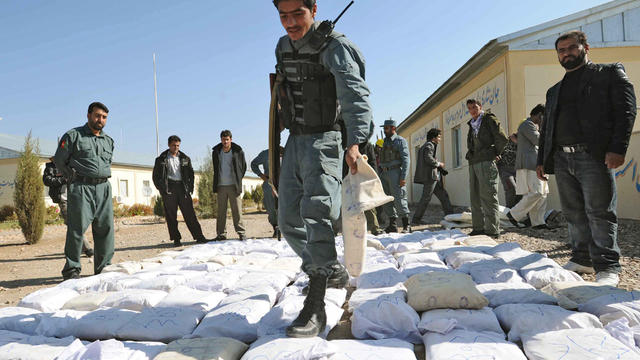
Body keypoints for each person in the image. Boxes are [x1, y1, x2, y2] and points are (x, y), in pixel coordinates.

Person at [273, 0, 373, 337]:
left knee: (316, 213)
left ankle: (315, 305)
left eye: (297, 14)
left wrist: (356, 141)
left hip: (325, 140)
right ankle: (328, 268)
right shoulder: (284, 46)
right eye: (283, 16)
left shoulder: (336, 46)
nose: (290, 23)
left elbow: (356, 95)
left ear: (314, 8)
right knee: (287, 220)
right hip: (295, 141)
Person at [537, 31, 636, 286]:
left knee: (599, 212)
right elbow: (547, 127)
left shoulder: (609, 73)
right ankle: (582, 258)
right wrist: (542, 160)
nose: (566, 53)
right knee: (574, 213)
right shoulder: (554, 91)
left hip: (594, 156)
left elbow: (626, 110)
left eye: (571, 48)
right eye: (561, 50)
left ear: (585, 48)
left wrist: (618, 148)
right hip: (561, 157)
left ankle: (607, 265)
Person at [54, 102, 114, 280]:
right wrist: (70, 177)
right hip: (81, 188)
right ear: (88, 115)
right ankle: (72, 269)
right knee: (77, 228)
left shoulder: (108, 141)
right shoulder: (74, 136)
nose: (100, 120)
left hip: (103, 187)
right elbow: (59, 159)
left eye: (104, 117)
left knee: (105, 228)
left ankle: (104, 267)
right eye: (97, 115)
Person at [152, 135, 208, 247]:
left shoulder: (185, 158)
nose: (176, 147)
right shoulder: (161, 159)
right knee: (171, 215)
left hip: (183, 188)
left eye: (178, 145)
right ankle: (176, 239)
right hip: (169, 188)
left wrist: (190, 188)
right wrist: (162, 189)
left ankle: (199, 236)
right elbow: (155, 176)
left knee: (190, 214)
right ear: (169, 145)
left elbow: (191, 174)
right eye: (174, 145)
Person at [465, 99, 508, 239]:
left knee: (489, 196)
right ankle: (478, 228)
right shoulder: (471, 124)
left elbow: (502, 138)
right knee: (475, 196)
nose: (472, 110)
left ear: (480, 107)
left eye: (474, 107)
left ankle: (493, 230)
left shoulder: (489, 119)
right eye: (470, 108)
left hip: (486, 162)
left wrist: (495, 153)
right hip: (474, 162)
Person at [506, 105, 549, 230]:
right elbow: (538, 140)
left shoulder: (532, 126)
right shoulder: (527, 124)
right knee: (537, 192)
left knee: (543, 194)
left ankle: (538, 222)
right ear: (540, 114)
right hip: (530, 164)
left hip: (538, 163)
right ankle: (513, 214)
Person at [42, 158, 94, 257]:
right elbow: (47, 180)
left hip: (75, 198)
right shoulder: (50, 167)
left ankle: (73, 248)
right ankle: (87, 248)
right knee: (73, 224)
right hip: (63, 200)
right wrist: (63, 179)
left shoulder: (72, 165)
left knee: (77, 224)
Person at [412, 128, 454, 225]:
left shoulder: (426, 146)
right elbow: (428, 158)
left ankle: (451, 216)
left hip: (433, 177)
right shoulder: (429, 145)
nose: (440, 139)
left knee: (443, 196)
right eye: (439, 137)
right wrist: (438, 164)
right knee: (426, 198)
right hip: (430, 177)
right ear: (434, 137)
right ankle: (416, 219)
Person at [212, 130, 247, 241]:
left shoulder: (238, 151)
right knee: (221, 211)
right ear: (221, 140)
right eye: (223, 139)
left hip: (233, 185)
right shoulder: (216, 151)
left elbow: (243, 167)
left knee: (237, 210)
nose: (225, 141)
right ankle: (221, 234)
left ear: (231, 139)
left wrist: (237, 179)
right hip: (221, 185)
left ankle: (241, 233)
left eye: (227, 139)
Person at [342, 141, 383, 235]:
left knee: (368, 204)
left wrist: (373, 178)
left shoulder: (367, 145)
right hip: (350, 178)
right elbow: (344, 164)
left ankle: (375, 228)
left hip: (364, 179)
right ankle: (342, 229)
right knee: (348, 205)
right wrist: (344, 179)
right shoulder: (347, 146)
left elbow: (372, 162)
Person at [379, 119, 411, 233]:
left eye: (386, 128)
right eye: (384, 128)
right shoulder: (382, 142)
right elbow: (379, 157)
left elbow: (406, 160)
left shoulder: (400, 141)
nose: (384, 130)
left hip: (395, 172)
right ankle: (392, 225)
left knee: (399, 198)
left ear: (393, 128)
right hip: (384, 173)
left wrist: (403, 177)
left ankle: (406, 225)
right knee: (387, 199)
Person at [250, 148, 281, 238]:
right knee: (271, 207)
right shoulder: (265, 154)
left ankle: (283, 228)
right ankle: (275, 227)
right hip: (269, 183)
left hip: (283, 183)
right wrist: (261, 175)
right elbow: (253, 164)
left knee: (283, 207)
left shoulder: (285, 151)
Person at [496, 133, 521, 209]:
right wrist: (496, 156)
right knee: (512, 188)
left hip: (518, 171)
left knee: (521, 193)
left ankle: (518, 213)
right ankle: (509, 211)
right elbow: (497, 151)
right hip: (505, 170)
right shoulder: (506, 141)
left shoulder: (523, 143)